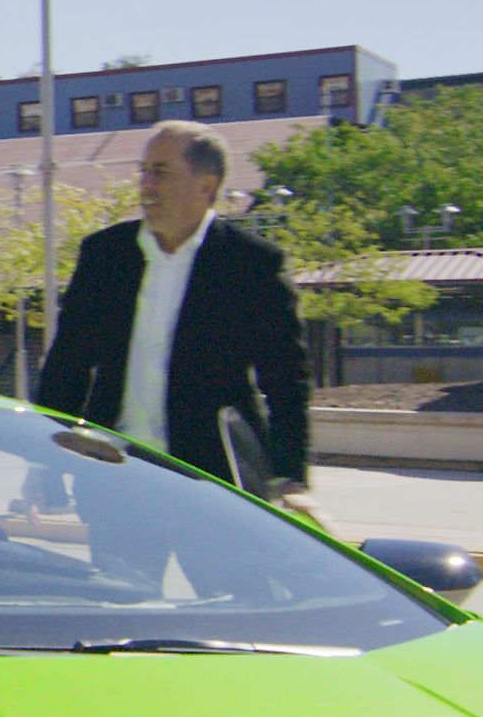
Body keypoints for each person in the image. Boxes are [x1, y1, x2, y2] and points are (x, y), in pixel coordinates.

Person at [30, 122, 312, 501]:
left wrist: (289, 475)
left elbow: (285, 382)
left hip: (215, 483)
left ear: (206, 187)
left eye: (159, 172)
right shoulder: (106, 255)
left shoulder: (252, 264)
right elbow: (67, 365)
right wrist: (45, 458)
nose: (145, 184)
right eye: (143, 171)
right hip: (113, 473)